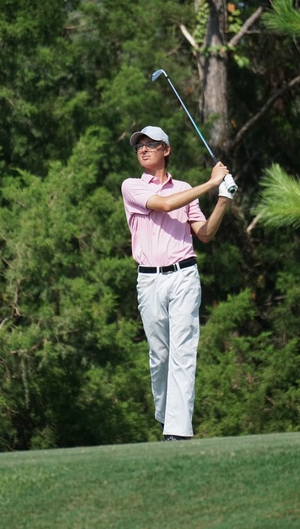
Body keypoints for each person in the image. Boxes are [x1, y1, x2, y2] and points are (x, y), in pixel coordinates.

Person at [121, 125, 234, 441]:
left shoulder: (184, 188)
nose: (143, 149)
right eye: (139, 146)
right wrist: (211, 183)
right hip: (150, 279)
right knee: (160, 356)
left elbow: (205, 234)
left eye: (151, 144)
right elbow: (165, 204)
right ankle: (165, 415)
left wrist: (223, 199)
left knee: (183, 352)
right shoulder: (131, 186)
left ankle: (178, 431)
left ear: (166, 150)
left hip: (184, 275)